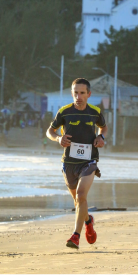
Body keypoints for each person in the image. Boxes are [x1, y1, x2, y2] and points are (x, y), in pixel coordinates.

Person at [46, 78, 107, 249]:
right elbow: (49, 131)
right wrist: (58, 138)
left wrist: (100, 137)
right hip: (69, 163)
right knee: (78, 201)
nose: (78, 96)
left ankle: (75, 236)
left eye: (82, 93)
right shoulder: (64, 112)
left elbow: (103, 127)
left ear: (89, 94)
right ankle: (88, 220)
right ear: (72, 93)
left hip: (89, 161)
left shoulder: (95, 112)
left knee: (81, 196)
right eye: (75, 93)